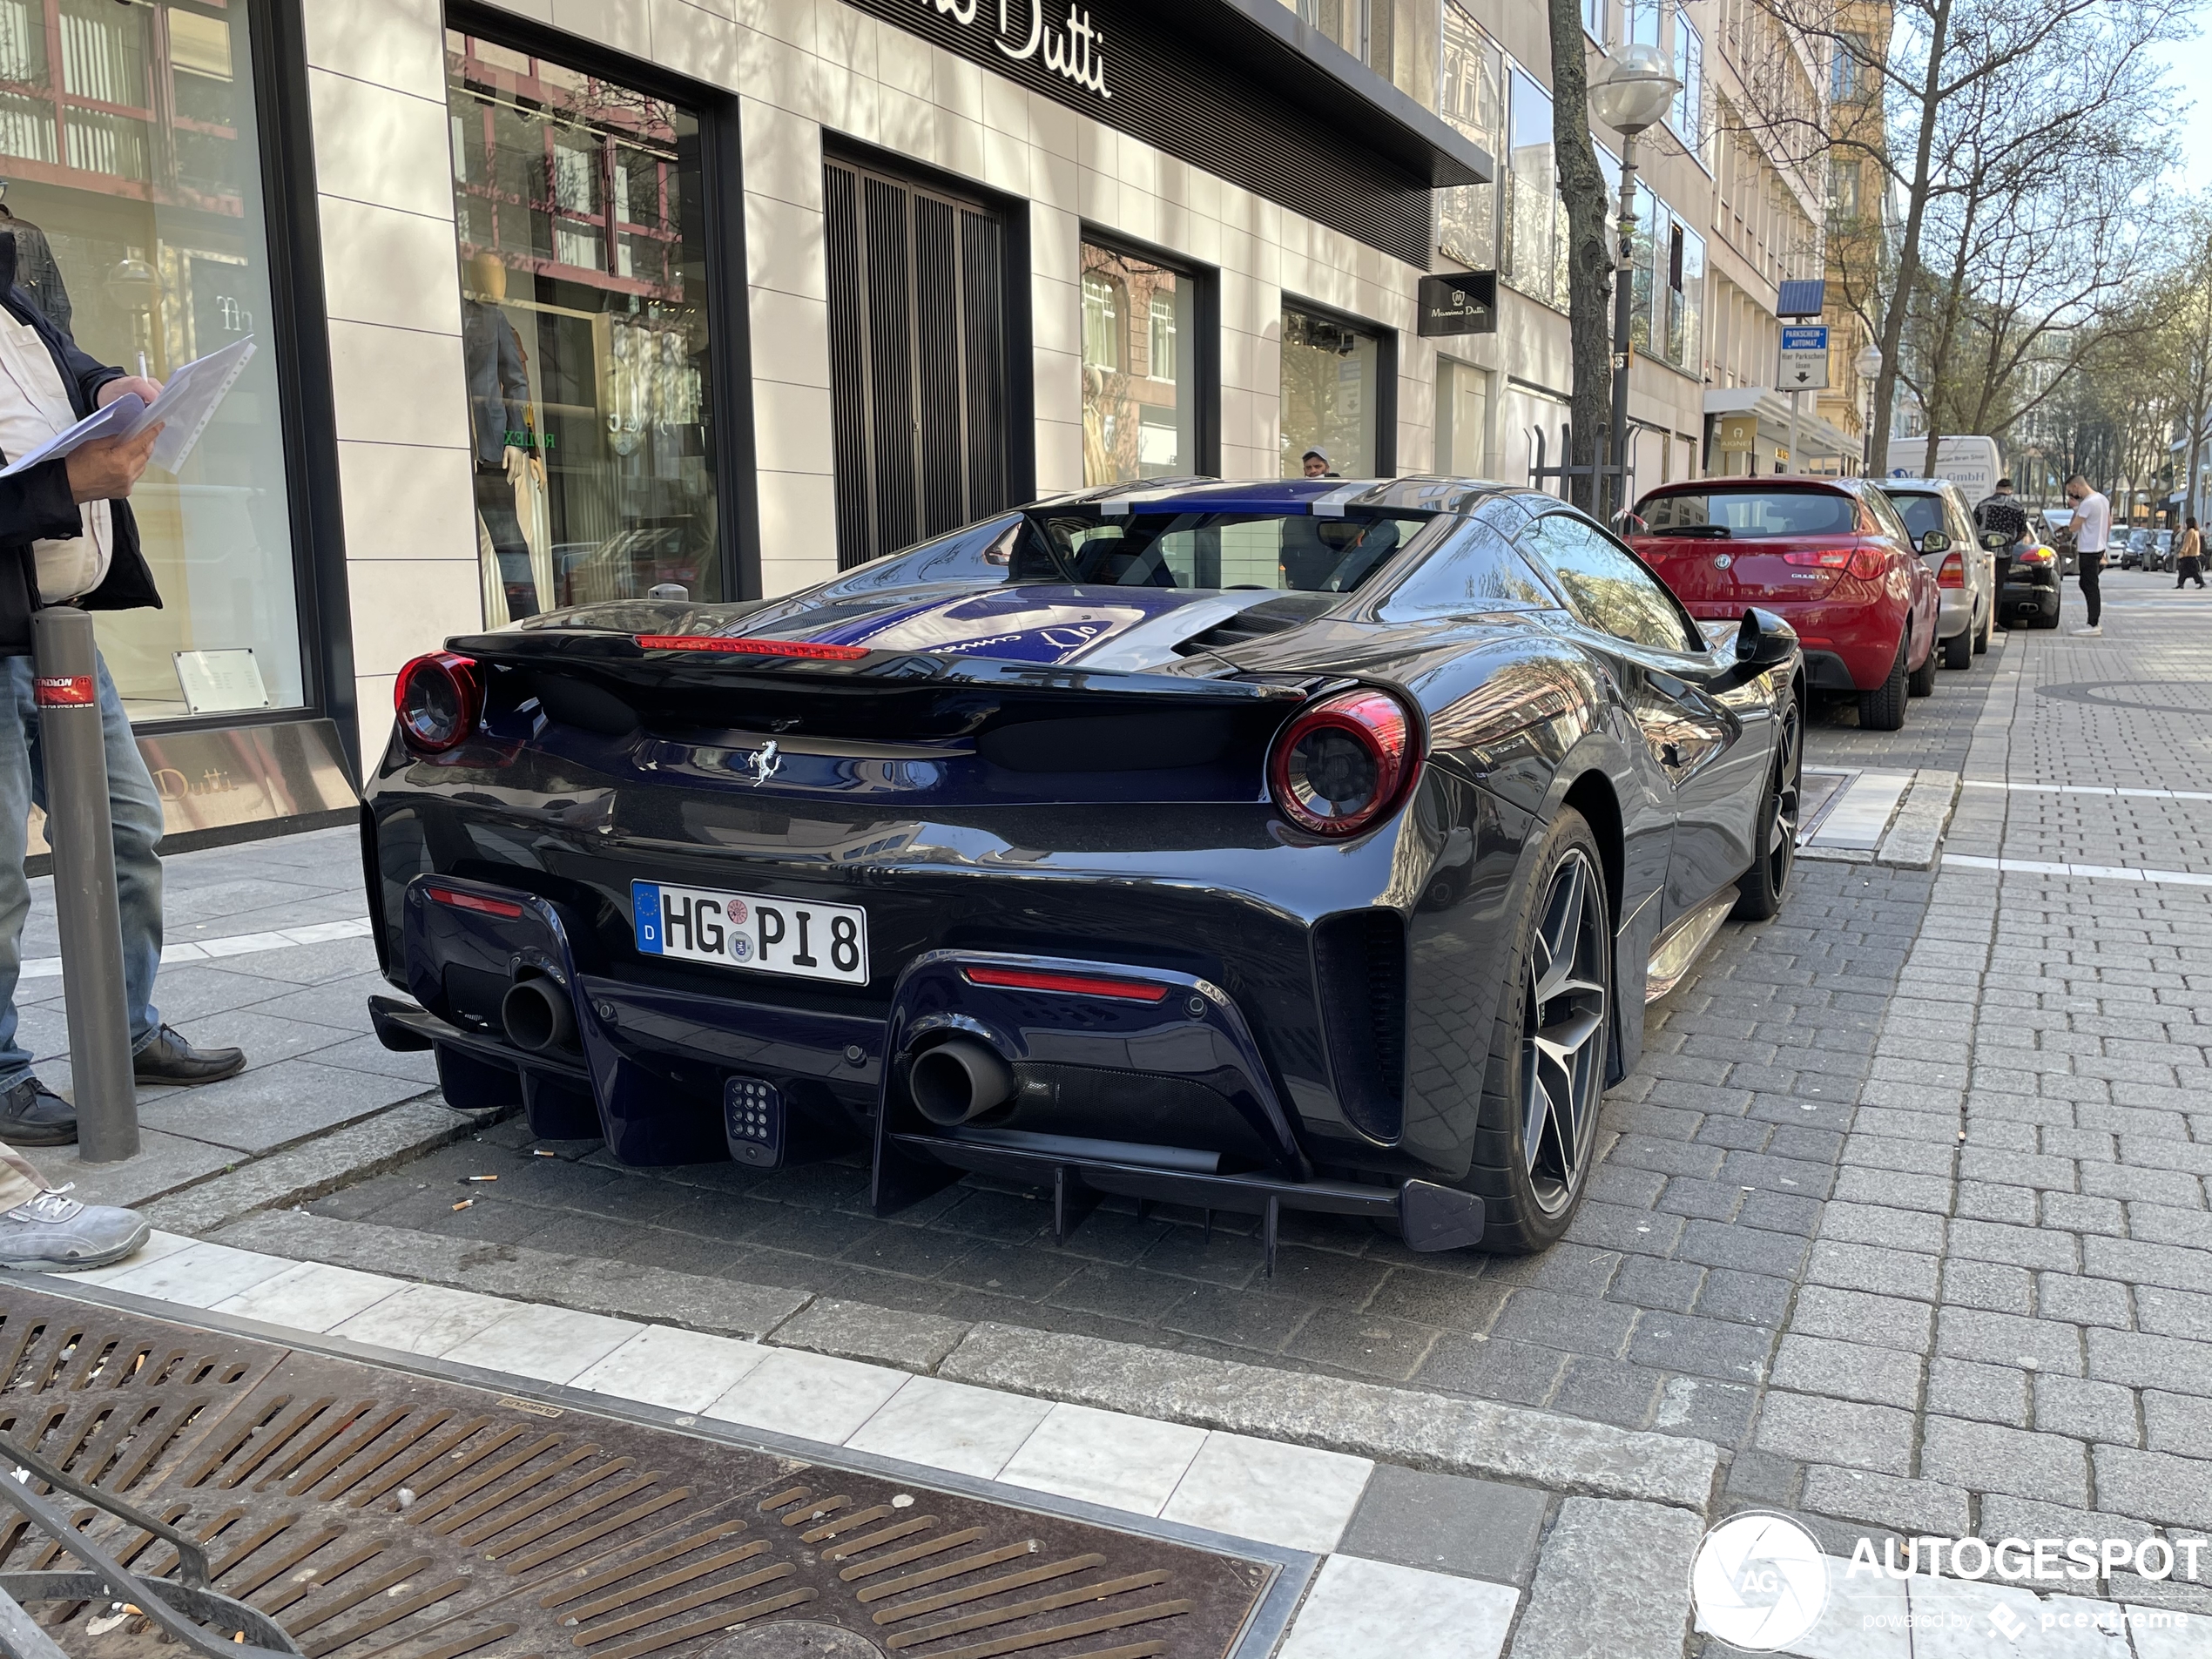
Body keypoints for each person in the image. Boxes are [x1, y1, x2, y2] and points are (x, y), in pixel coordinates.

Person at [0, 230, 247, 1271]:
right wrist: (68, 487)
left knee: (130, 828)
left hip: (60, 628)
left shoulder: (13, 302)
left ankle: (130, 1027)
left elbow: (67, 364)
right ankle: (2, 1075)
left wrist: (114, 382)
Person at [462, 254, 538, 620]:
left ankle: (527, 623)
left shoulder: (492, 318)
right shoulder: (445, 314)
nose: (498, 282)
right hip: (447, 451)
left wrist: (517, 440)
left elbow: (517, 382)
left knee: (510, 545)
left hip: (492, 451)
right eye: (490, 274)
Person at [2063, 474, 2109, 635]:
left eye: (2071, 491)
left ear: (2077, 486)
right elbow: (2108, 523)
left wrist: (2075, 509)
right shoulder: (2103, 500)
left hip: (2088, 549)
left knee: (2089, 585)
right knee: (2088, 583)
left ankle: (2093, 623)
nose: (2073, 495)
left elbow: (2073, 527)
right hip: (2099, 547)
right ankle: (2093, 621)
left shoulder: (2087, 503)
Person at [2178, 518, 2205, 590]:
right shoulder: (2196, 531)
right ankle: (2180, 583)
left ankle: (2200, 582)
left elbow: (2188, 543)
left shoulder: (2190, 532)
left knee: (2189, 570)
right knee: (2184, 570)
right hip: (2194, 553)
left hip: (2189, 554)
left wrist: (2183, 552)